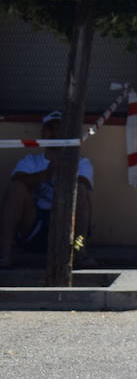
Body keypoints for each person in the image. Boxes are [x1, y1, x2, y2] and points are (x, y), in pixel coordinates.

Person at [0, 111, 95, 269]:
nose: (55, 133)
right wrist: (45, 175)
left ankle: (80, 252)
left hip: (67, 232)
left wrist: (62, 172)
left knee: (81, 191)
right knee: (16, 189)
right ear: (43, 133)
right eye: (51, 129)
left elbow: (83, 182)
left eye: (60, 129)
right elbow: (17, 180)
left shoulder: (82, 162)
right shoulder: (31, 161)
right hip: (34, 228)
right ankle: (5, 254)